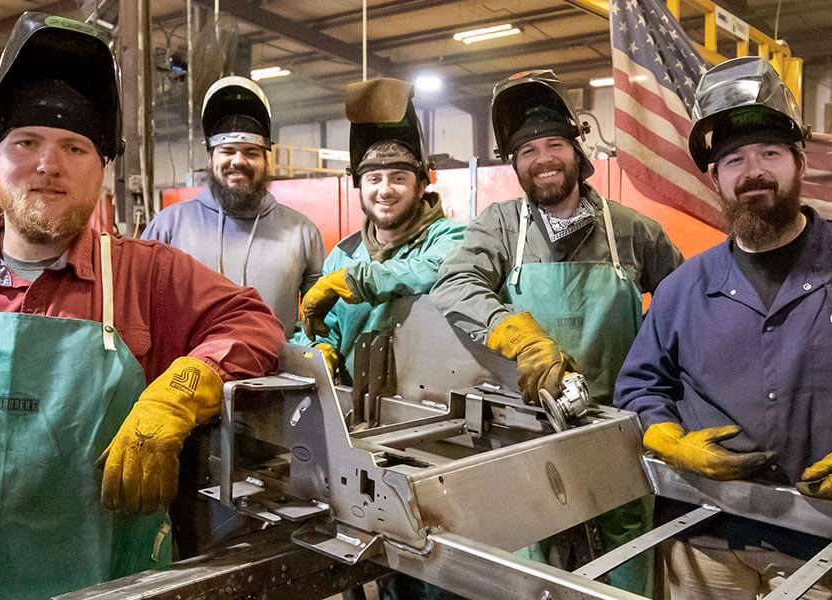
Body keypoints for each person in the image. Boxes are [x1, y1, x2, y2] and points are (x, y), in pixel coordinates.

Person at [0, 14, 281, 599]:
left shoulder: (147, 276)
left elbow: (254, 324)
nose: (48, 165)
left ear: (101, 170)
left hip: (110, 583)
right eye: (26, 143)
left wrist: (177, 395)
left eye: (75, 147)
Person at [615, 57, 832, 600]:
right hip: (706, 532)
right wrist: (670, 440)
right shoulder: (683, 288)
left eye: (769, 153)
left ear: (800, 162)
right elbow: (640, 386)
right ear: (715, 178)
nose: (752, 171)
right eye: (734, 160)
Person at [430, 69, 683, 596]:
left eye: (554, 145)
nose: (543, 159)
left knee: (627, 562)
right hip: (528, 433)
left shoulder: (632, 230)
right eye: (527, 151)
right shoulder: (502, 225)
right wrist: (517, 335)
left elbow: (684, 310)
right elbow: (454, 282)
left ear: (577, 150)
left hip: (618, 434)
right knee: (534, 568)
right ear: (515, 164)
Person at [291, 77, 465, 382]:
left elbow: (432, 269)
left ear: (421, 186)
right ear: (360, 187)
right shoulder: (344, 255)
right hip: (355, 401)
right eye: (373, 179)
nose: (385, 190)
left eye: (398, 178)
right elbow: (321, 329)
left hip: (432, 402)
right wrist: (319, 350)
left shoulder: (451, 237)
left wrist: (355, 280)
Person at [140, 76, 324, 336]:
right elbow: (140, 313)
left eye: (251, 152)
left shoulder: (302, 233)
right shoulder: (168, 227)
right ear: (210, 158)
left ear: (266, 161)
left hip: (274, 363)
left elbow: (322, 324)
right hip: (187, 363)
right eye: (227, 151)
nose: (238, 161)